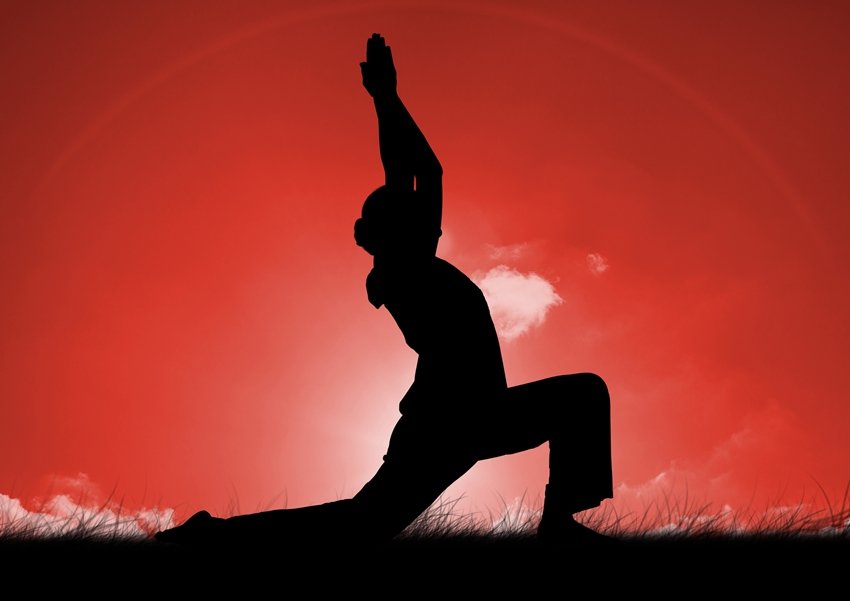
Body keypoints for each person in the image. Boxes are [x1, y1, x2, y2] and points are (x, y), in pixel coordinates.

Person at [155, 33, 613, 546]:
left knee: (583, 396)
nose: (422, 209)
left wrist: (387, 100)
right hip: (442, 424)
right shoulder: (402, 272)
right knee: (361, 525)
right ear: (396, 230)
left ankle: (559, 524)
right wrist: (385, 99)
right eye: (409, 211)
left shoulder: (417, 262)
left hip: (481, 414)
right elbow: (412, 172)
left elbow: (423, 173)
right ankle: (212, 537)